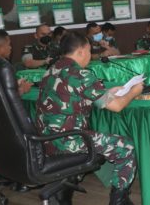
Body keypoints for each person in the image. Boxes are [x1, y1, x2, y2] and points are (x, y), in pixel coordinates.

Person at [35, 31, 143, 205]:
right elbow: (117, 106)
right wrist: (133, 92)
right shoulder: (80, 73)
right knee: (126, 147)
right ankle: (119, 200)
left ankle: (62, 194)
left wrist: (108, 92)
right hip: (70, 140)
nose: (91, 56)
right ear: (81, 51)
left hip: (45, 140)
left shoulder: (51, 70)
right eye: (89, 51)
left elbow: (77, 95)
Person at [0, 29, 32, 96]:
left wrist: (15, 84)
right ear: (0, 48)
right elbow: (3, 100)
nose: (10, 48)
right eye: (9, 44)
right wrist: (22, 89)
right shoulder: (3, 67)